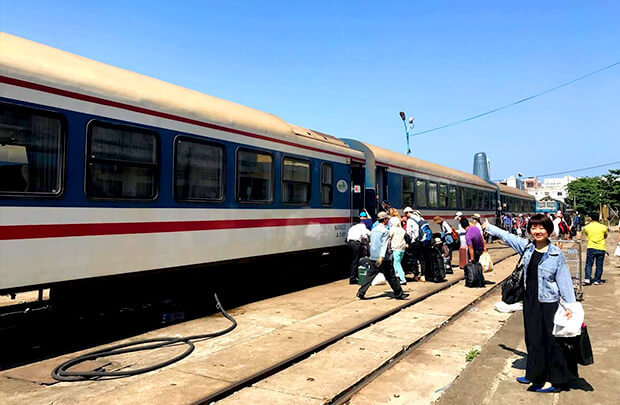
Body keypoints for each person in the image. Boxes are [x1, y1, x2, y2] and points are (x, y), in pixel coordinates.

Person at [483, 214, 577, 392]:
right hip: (530, 300)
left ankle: (554, 381)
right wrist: (489, 227)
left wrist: (570, 306)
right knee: (533, 338)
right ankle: (534, 374)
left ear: (548, 230)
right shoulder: (527, 247)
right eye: (534, 228)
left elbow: (564, 281)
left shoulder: (556, 254)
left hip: (549, 303)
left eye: (541, 228)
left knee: (551, 341)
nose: (537, 231)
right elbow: (509, 237)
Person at [357, 212, 409, 300]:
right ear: (384, 220)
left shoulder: (373, 230)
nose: (388, 221)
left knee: (369, 276)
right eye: (387, 219)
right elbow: (384, 245)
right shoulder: (385, 231)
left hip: (373, 257)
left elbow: (371, 243)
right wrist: (381, 257)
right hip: (383, 258)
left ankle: (361, 292)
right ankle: (399, 294)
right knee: (391, 276)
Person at [404, 208, 431, 281]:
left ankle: (416, 275)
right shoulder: (420, 218)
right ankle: (423, 275)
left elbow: (409, 232)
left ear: (408, 213)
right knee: (422, 259)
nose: (405, 215)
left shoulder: (410, 220)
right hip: (422, 241)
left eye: (405, 213)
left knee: (413, 259)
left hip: (415, 242)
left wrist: (409, 241)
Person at [582, 213, 608, 285]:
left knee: (589, 264)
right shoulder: (603, 227)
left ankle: (587, 278)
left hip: (591, 247)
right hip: (601, 247)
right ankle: (597, 279)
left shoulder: (587, 227)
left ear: (591, 218)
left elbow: (586, 234)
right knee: (599, 265)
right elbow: (605, 235)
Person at [346, 213, 371, 284]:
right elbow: (365, 235)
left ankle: (354, 276)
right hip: (355, 244)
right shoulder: (362, 226)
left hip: (349, 243)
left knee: (352, 260)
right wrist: (367, 242)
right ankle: (353, 279)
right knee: (355, 261)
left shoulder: (353, 227)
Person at [389, 216, 408, 284]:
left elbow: (389, 237)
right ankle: (397, 276)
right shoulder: (402, 229)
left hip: (396, 247)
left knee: (396, 263)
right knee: (398, 262)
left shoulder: (392, 229)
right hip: (402, 248)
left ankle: (402, 278)